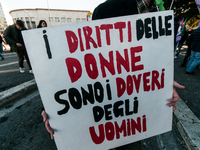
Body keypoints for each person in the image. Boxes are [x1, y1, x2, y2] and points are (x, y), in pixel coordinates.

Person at [42, 1, 185, 149]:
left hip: (135, 112)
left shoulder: (160, 14)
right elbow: (83, 59)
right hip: (105, 106)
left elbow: (153, 58)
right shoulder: (107, 9)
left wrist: (164, 82)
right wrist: (52, 105)